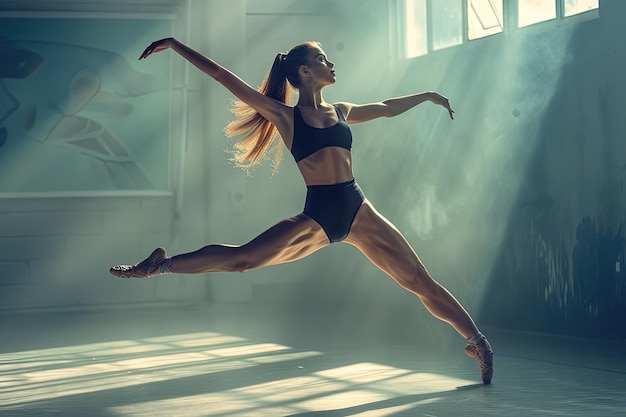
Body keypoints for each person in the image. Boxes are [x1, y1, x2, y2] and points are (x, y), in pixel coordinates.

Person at [110, 38, 494, 384]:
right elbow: (221, 74)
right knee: (244, 260)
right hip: (319, 216)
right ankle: (158, 265)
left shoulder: (341, 110)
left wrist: (426, 95)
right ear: (305, 72)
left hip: (358, 208)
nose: (332, 63)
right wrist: (176, 45)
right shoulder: (284, 115)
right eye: (323, 58)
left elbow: (384, 107)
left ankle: (477, 343)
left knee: (417, 280)